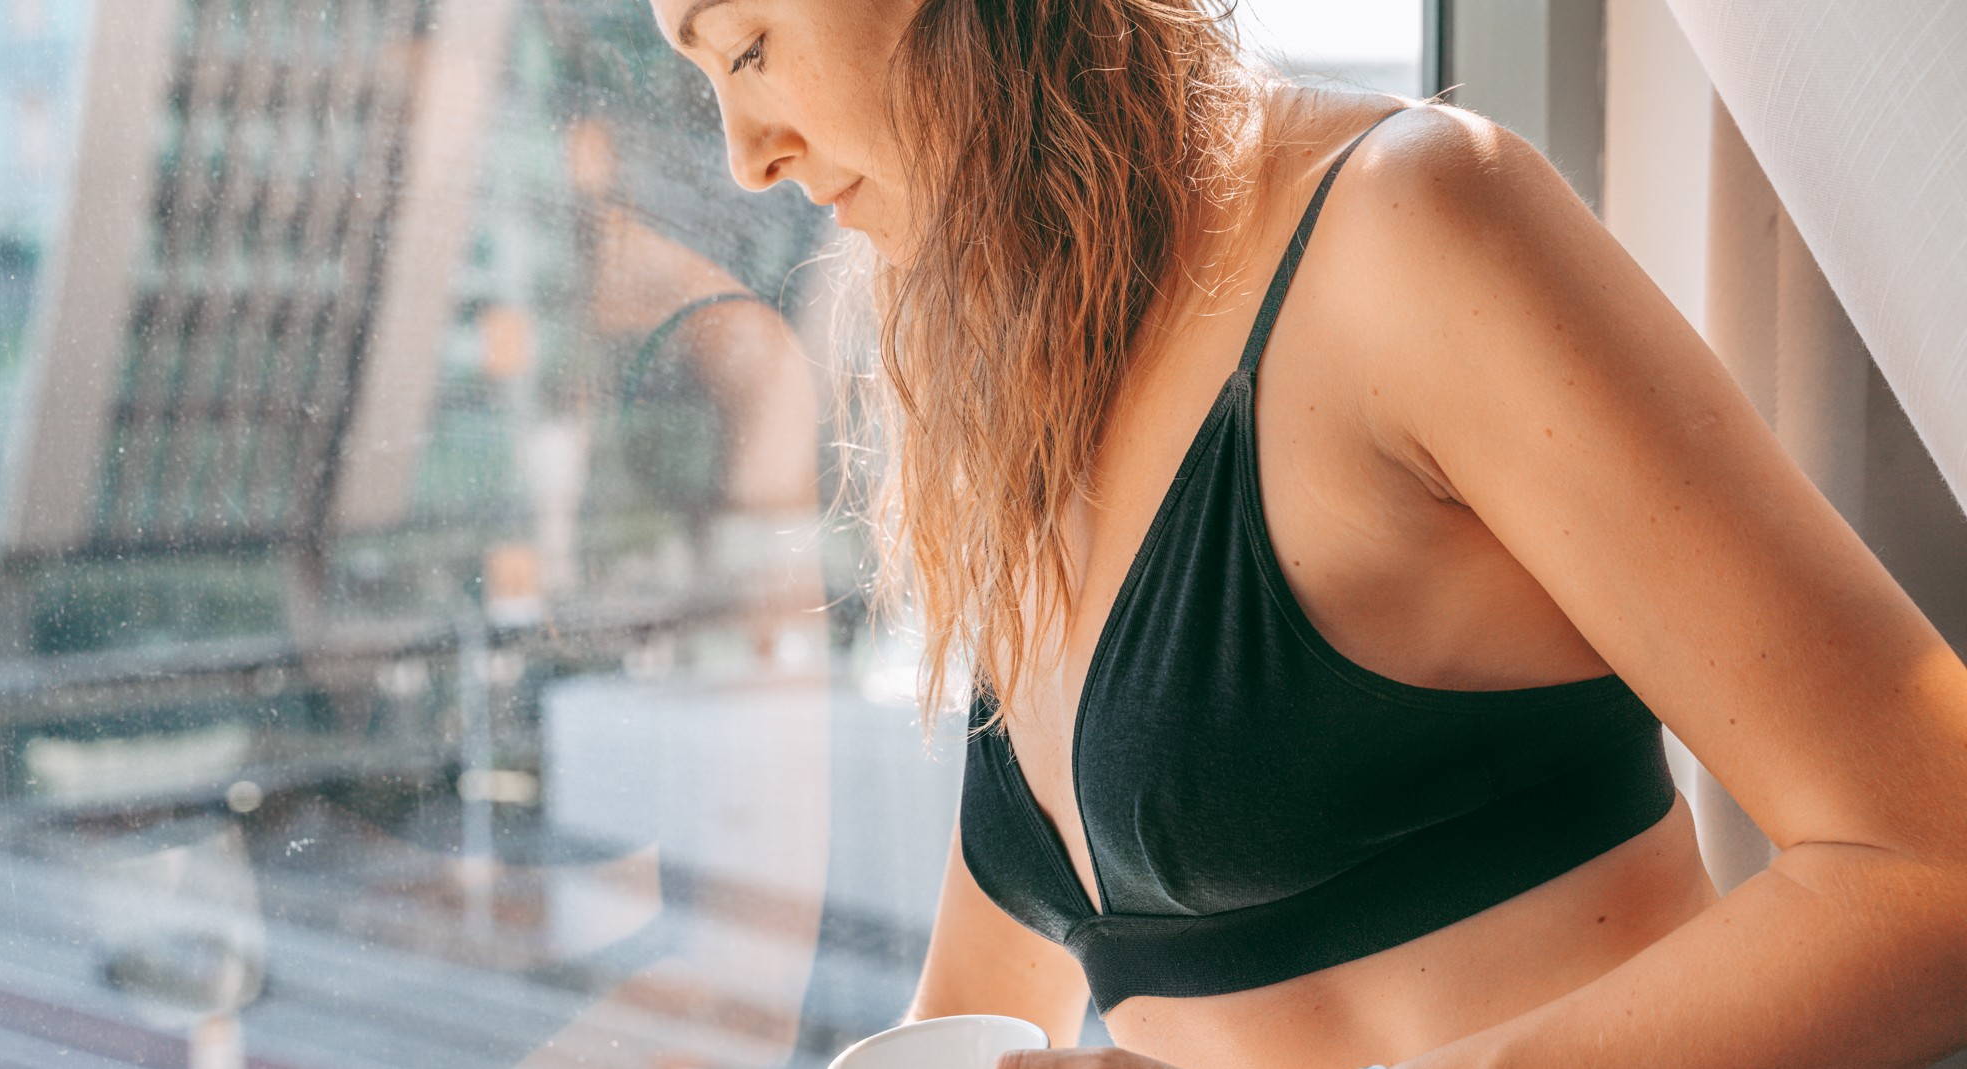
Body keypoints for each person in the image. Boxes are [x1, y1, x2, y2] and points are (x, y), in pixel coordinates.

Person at [651, 2, 1967, 1069]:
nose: (743, 154)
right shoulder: (1018, 364)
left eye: (752, 45)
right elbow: (989, 998)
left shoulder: (1415, 225)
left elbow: (1935, 863)